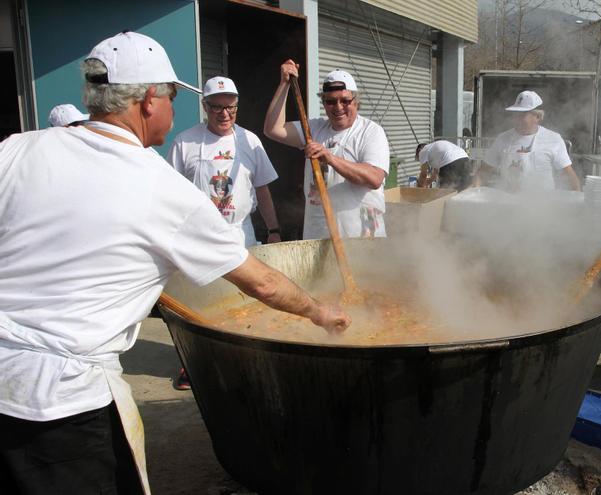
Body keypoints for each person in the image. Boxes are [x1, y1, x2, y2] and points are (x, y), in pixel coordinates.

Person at [0, 31, 350, 495]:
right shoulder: (160, 187)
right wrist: (320, 312)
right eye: (170, 96)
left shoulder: (16, 149)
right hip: (57, 407)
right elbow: (262, 284)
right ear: (148, 100)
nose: (174, 107)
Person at [264, 61, 390, 239]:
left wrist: (330, 158)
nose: (338, 107)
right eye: (330, 101)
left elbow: (374, 178)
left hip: (362, 236)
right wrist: (284, 84)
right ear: (323, 103)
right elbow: (273, 129)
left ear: (356, 101)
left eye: (345, 100)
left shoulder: (370, 131)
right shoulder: (314, 129)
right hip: (320, 234)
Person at [167, 76, 283, 248]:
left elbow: (262, 188)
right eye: (217, 107)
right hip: (199, 239)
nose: (225, 114)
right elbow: (171, 193)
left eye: (230, 107)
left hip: (241, 237)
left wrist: (273, 230)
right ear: (205, 106)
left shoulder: (250, 141)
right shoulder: (184, 142)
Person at [476, 90, 581, 193]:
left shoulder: (553, 139)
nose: (517, 119)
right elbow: (483, 172)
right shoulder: (502, 139)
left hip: (543, 205)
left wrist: (577, 199)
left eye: (522, 115)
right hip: (508, 203)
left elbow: (569, 175)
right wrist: (472, 192)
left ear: (537, 117)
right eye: (515, 114)